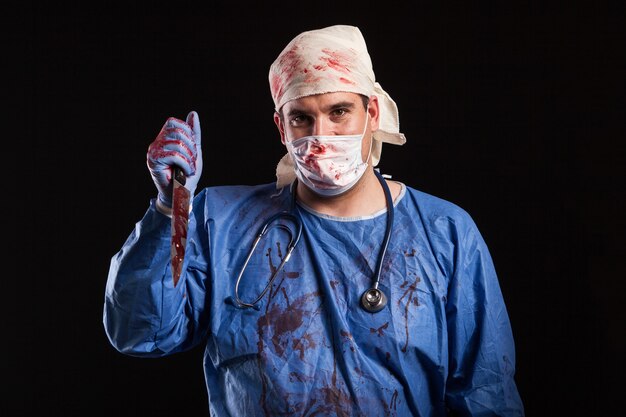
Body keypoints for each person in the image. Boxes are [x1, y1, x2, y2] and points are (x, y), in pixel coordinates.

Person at [103, 24, 524, 416]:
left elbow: (486, 393)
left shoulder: (445, 234)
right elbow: (140, 332)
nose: (321, 137)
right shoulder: (223, 224)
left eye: (339, 112)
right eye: (301, 118)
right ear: (280, 127)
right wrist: (168, 208)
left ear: (372, 113)